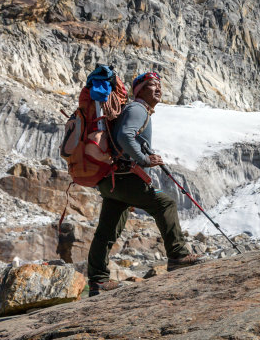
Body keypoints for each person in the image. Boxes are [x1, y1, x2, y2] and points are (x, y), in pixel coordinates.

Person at [87, 71, 203, 296]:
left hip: (110, 180)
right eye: (152, 85)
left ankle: (98, 281)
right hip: (125, 178)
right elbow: (125, 136)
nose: (158, 88)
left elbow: (126, 137)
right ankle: (178, 256)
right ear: (139, 91)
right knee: (165, 204)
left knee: (107, 230)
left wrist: (144, 154)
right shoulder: (138, 108)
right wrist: (144, 159)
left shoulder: (135, 110)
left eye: (159, 85)